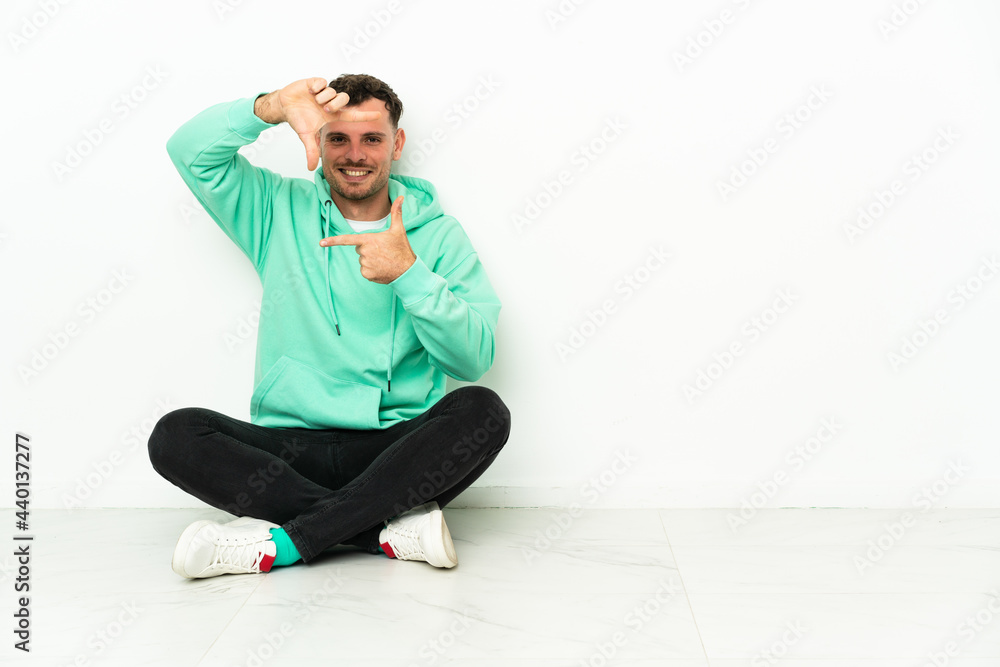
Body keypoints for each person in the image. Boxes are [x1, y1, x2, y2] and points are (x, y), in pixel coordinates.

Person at [147, 75, 510, 579]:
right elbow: (189, 151)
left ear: (397, 144)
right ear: (318, 139)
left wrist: (409, 274)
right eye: (338, 137)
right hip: (289, 450)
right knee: (175, 435)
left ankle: (286, 543)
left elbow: (473, 360)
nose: (355, 155)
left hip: (394, 451)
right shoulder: (275, 208)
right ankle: (378, 529)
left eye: (372, 138)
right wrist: (271, 106)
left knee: (484, 412)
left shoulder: (439, 236)